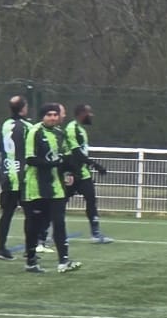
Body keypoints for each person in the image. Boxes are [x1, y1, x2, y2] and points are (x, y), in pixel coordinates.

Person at [21, 102, 80, 274]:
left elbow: (67, 156)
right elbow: (30, 159)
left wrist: (69, 171)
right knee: (34, 225)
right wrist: (54, 163)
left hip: (56, 187)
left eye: (55, 115)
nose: (53, 118)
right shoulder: (35, 132)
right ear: (43, 117)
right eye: (49, 115)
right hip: (36, 187)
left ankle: (64, 261)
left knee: (59, 222)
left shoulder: (60, 134)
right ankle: (31, 260)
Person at [0, 95, 32, 259]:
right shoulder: (28, 127)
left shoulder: (4, 126)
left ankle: (1, 248)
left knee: (6, 214)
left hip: (7, 176)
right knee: (30, 215)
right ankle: (29, 250)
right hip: (24, 177)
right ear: (23, 109)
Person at [67, 104, 112, 243]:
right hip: (71, 173)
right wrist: (95, 164)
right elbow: (75, 152)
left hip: (83, 173)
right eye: (89, 113)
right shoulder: (71, 128)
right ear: (81, 114)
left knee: (91, 200)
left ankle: (96, 234)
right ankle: (44, 235)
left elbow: (82, 153)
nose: (91, 115)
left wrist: (90, 165)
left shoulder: (81, 129)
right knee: (59, 203)